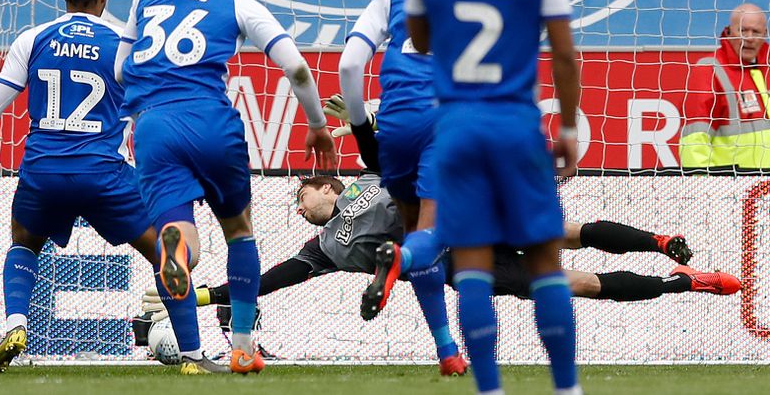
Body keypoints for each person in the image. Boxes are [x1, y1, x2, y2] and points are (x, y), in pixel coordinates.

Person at [136, 107, 739, 374]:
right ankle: (681, 281)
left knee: (566, 232)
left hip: (467, 219)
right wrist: (199, 298)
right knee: (574, 283)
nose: (299, 210)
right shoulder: (323, 251)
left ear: (324, 185)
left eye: (301, 199)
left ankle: (661, 239)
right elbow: (273, 280)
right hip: (458, 264)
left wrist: (357, 122)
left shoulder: (371, 180)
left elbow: (378, 152)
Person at [117, 0, 337, 375]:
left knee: (177, 240)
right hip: (211, 121)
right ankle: (240, 346)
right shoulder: (236, 0)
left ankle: (192, 350)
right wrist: (317, 124)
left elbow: (120, 70)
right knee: (239, 230)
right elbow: (296, 67)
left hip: (155, 126)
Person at [0, 0, 191, 372]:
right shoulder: (123, 44)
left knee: (24, 245)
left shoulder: (33, 38)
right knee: (169, 253)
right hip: (105, 174)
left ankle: (16, 325)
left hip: (42, 172)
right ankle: (191, 353)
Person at [407, 0, 581, 393]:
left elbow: (418, 40)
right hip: (516, 125)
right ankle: (567, 386)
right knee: (546, 257)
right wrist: (569, 128)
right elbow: (566, 57)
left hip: (456, 128)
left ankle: (489, 388)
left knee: (473, 261)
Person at [339, 0, 452, 327]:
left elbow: (351, 66)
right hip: (445, 121)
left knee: (412, 228)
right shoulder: (481, 3)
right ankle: (399, 257)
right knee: (433, 234)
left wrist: (360, 127)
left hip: (396, 123)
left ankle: (446, 349)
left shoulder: (389, 0)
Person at [680, 4, 770, 169]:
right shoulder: (709, 69)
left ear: (765, 34)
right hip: (732, 188)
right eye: (742, 30)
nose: (749, 38)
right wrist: (702, 185)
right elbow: (694, 138)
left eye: (756, 32)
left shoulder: (767, 69)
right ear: (729, 31)